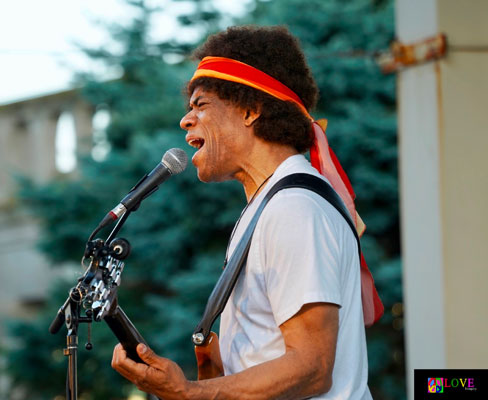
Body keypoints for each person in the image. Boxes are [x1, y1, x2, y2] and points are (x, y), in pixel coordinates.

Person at [112, 25, 380, 399]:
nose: (185, 121)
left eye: (200, 105)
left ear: (251, 109)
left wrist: (190, 393)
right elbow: (274, 355)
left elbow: (313, 368)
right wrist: (217, 369)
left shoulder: (293, 209)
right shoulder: (268, 208)